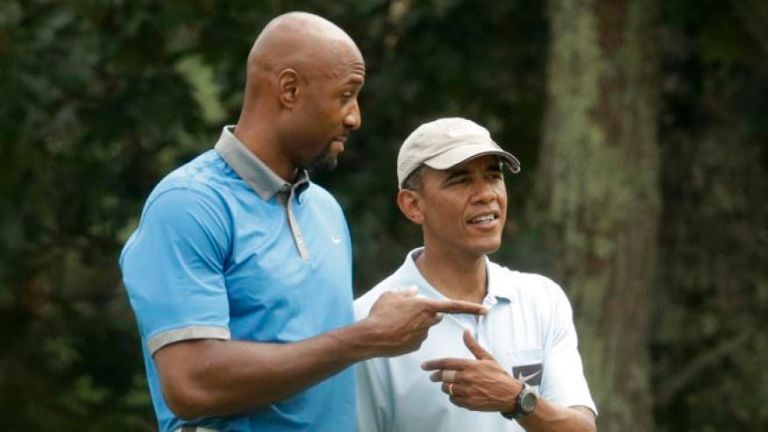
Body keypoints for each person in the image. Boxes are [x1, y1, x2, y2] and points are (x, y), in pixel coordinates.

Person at [119, 13, 485, 432]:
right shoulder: (189, 204)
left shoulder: (325, 210)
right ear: (289, 90)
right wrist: (364, 337)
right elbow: (191, 385)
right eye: (346, 95)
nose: (355, 117)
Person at [354, 117, 598, 432]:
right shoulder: (368, 322)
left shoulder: (542, 300)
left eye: (493, 176)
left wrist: (516, 399)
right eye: (460, 180)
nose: (486, 194)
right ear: (413, 205)